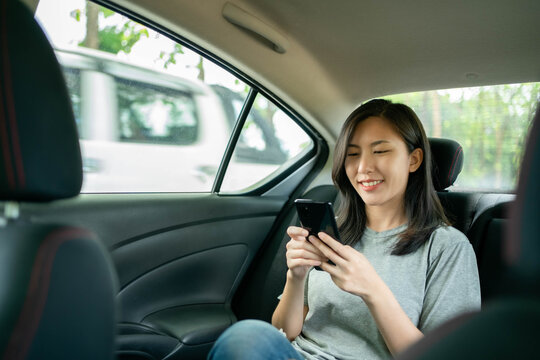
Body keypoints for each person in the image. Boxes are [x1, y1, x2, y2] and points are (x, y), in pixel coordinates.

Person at [208, 99, 481, 360]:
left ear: (414, 159)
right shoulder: (333, 234)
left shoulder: (447, 247)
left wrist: (373, 290)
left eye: (380, 151)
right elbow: (285, 332)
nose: (363, 167)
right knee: (246, 337)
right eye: (352, 154)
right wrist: (296, 276)